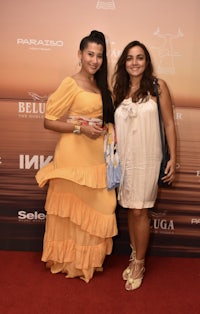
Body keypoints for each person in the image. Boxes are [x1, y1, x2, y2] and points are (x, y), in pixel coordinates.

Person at [36, 30, 118, 283]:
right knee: (69, 210)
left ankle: (86, 262)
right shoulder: (70, 83)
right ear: (80, 55)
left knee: (102, 206)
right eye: (90, 54)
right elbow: (48, 121)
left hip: (96, 157)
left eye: (99, 56)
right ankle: (67, 261)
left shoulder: (102, 87)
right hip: (72, 155)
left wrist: (107, 131)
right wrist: (80, 128)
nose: (94, 60)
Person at [112, 40, 176, 290]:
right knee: (130, 208)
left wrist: (172, 158)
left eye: (139, 57)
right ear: (124, 63)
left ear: (146, 62)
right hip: (125, 160)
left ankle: (139, 262)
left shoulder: (158, 86)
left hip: (149, 159)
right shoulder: (119, 88)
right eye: (129, 58)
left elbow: (169, 123)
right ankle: (134, 252)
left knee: (141, 210)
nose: (134, 62)